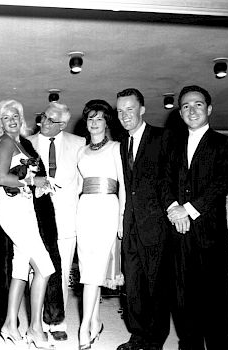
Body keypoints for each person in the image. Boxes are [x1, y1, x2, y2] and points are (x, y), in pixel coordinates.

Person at [162, 85, 228, 350]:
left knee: (214, 303)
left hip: (209, 236)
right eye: (185, 106)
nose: (191, 110)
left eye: (196, 104)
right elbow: (164, 182)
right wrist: (174, 208)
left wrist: (189, 209)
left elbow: (222, 181)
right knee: (182, 300)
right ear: (180, 112)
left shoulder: (225, 144)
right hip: (178, 234)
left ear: (209, 109)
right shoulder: (171, 145)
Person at [0, 99, 59, 350]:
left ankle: (10, 324)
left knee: (20, 268)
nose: (13, 120)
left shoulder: (20, 142)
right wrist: (34, 180)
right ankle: (35, 327)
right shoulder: (6, 142)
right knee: (45, 267)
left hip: (25, 208)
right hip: (12, 211)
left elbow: (26, 179)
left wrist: (40, 186)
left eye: (16, 115)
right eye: (7, 116)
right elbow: (1, 178)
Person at [115, 88, 172, 350]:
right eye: (120, 111)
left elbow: (170, 180)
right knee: (134, 284)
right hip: (131, 225)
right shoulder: (123, 143)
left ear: (142, 110)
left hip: (156, 225)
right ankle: (137, 335)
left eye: (129, 109)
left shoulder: (162, 138)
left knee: (156, 287)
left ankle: (154, 341)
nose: (125, 115)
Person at [27, 101, 85, 341]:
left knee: (60, 270)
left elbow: (82, 182)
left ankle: (58, 321)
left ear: (63, 125)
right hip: (36, 217)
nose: (44, 123)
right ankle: (37, 320)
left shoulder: (79, 143)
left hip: (65, 218)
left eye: (51, 120)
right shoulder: (27, 143)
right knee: (36, 270)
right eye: (43, 117)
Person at [76, 99, 125, 350]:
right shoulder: (81, 151)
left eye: (99, 119)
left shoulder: (117, 148)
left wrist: (121, 219)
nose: (94, 123)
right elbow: (77, 186)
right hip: (84, 208)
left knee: (94, 271)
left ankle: (84, 327)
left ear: (107, 122)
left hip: (107, 208)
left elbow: (124, 187)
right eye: (90, 119)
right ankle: (95, 321)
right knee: (87, 268)